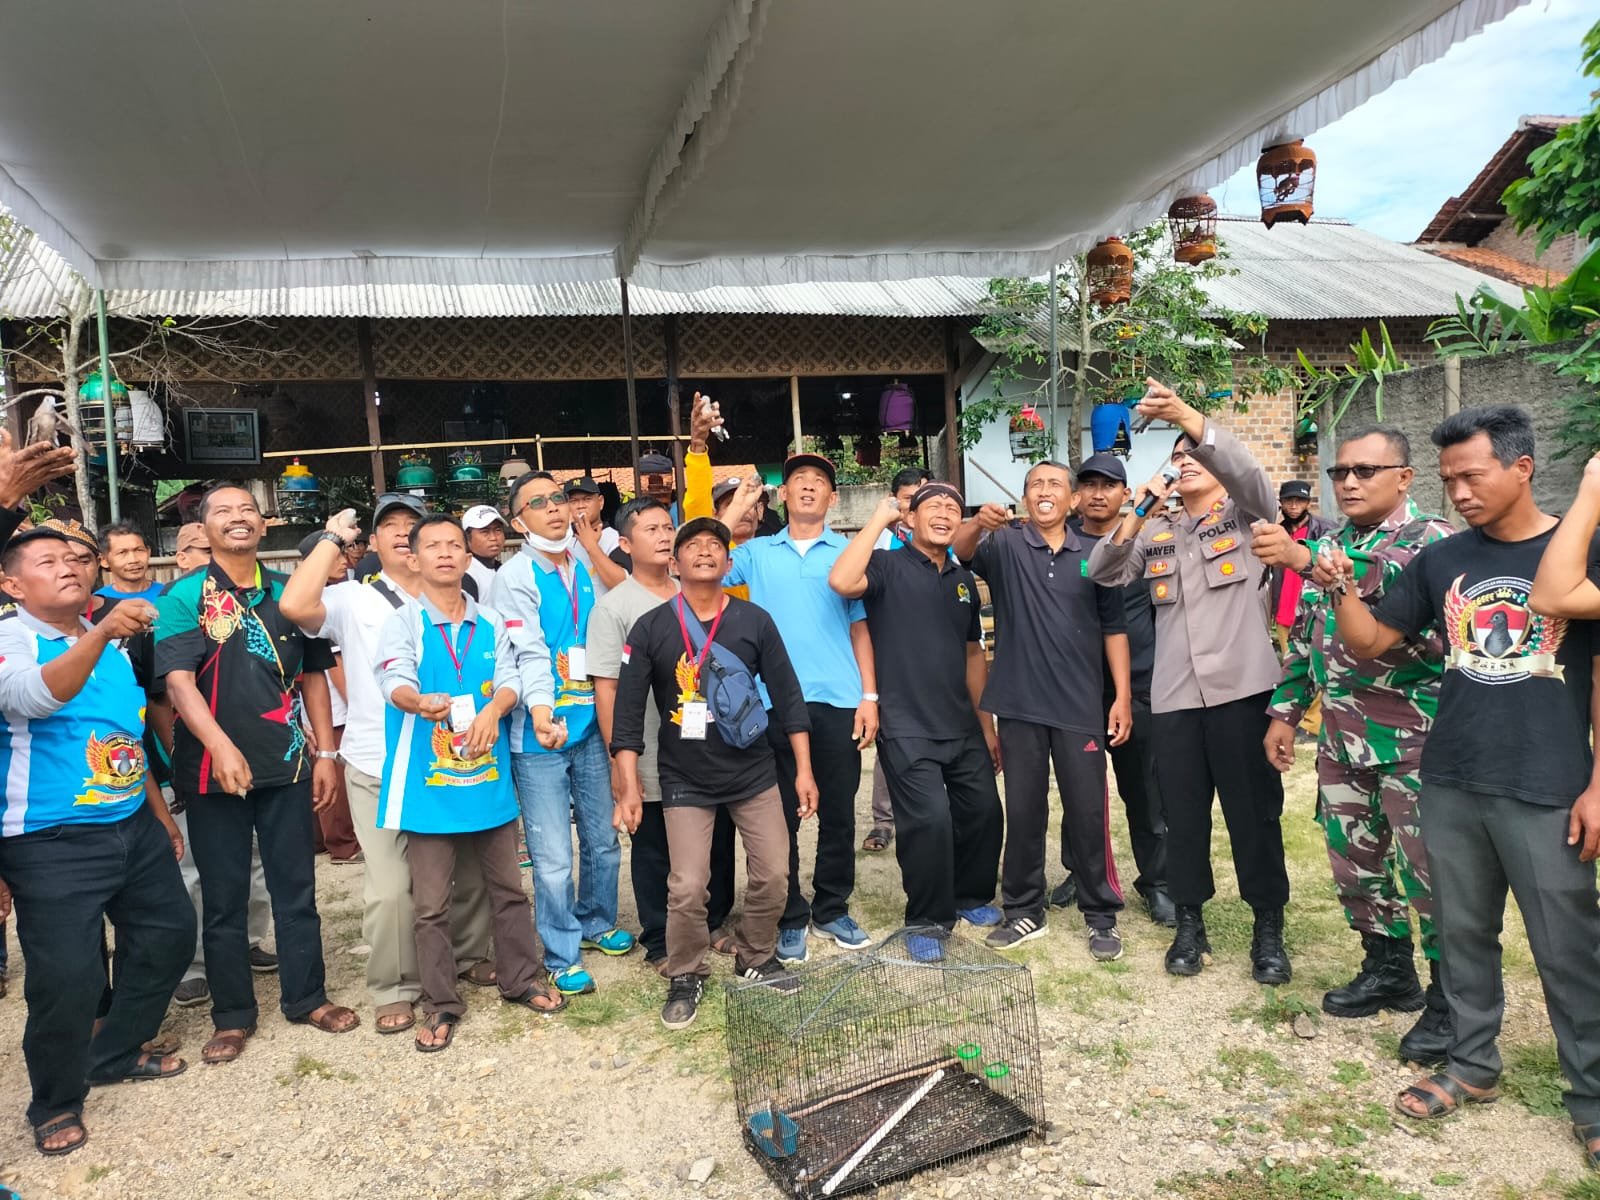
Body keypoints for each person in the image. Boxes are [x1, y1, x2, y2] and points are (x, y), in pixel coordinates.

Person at [1328, 406, 1600, 1165]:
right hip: (1447, 776)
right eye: (1448, 480)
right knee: (1464, 935)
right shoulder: (1444, 560)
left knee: (1568, 946)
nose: (1459, 493)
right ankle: (1474, 1064)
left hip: (1546, 783)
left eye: (1471, 476)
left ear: (1521, 466)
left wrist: (1599, 783)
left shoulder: (1580, 551)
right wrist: (1342, 588)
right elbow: (1377, 640)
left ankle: (1593, 1095)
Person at [1255, 425, 1454, 1064]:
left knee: (1434, 873)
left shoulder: (1435, 543)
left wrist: (1303, 561)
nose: (1349, 482)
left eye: (1366, 471)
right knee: (1355, 861)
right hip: (1342, 736)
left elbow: (1380, 580)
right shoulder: (1334, 542)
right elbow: (1311, 637)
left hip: (1416, 739)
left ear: (1405, 476)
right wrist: (1285, 713)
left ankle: (1453, 997)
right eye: (1341, 472)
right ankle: (1388, 967)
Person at [1087, 380, 1291, 985]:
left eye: (1195, 455)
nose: (1185, 463)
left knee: (1253, 815)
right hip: (1175, 697)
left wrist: (1188, 420)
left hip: (1242, 692)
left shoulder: (1250, 516)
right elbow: (1099, 570)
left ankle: (1267, 928)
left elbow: (1251, 471)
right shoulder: (1157, 529)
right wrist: (1141, 507)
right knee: (1182, 816)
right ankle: (1190, 925)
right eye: (1176, 456)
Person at [0, 525, 194, 1156]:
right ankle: (54, 1101)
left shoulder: (104, 643)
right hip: (49, 838)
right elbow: (33, 698)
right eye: (47, 561)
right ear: (11, 584)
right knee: (67, 978)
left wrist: (158, 815)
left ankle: (110, 1054)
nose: (68, 568)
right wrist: (105, 632)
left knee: (168, 936)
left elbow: (127, 740)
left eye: (75, 560)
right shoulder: (12, 638)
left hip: (130, 824)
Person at [154, 484, 359, 1063]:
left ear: (264, 525)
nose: (237, 518)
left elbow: (315, 675)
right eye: (224, 511)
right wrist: (218, 746)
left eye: (247, 509)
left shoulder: (291, 594)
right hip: (209, 772)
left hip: (288, 763)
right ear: (202, 528)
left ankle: (307, 997)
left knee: (297, 889)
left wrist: (324, 755)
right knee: (223, 897)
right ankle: (233, 1015)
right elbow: (177, 682)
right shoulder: (184, 595)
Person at [280, 494, 494, 1036]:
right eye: (389, 528)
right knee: (390, 884)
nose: (402, 534)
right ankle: (396, 984)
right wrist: (331, 539)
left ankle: (467, 957)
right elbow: (294, 606)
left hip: (453, 754)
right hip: (380, 761)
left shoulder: (460, 594)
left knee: (467, 869)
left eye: (412, 526)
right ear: (372, 543)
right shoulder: (354, 597)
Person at [612, 517, 817, 1028]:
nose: (705, 551)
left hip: (754, 771)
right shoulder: (652, 627)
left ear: (729, 562)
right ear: (674, 563)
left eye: (715, 546)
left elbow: (789, 698)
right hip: (686, 778)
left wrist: (804, 771)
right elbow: (629, 712)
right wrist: (629, 784)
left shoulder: (755, 621)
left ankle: (757, 954)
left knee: (773, 872)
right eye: (692, 545)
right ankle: (686, 971)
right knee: (686, 884)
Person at [374, 515, 567, 1049]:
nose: (444, 554)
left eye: (454, 546)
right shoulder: (405, 622)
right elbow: (394, 679)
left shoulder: (491, 622)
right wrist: (420, 701)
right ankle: (441, 1003)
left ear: (468, 557)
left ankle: (520, 978)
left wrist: (494, 710)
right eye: (431, 546)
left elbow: (512, 678)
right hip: (428, 788)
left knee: (508, 890)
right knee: (431, 904)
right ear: (413, 559)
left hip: (487, 783)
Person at [955, 461, 1132, 959]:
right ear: (1026, 498)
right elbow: (962, 552)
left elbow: (1114, 629)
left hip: (1079, 706)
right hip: (1019, 703)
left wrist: (1120, 697)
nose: (1045, 492)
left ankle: (1101, 915)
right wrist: (977, 523)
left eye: (1055, 484)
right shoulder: (1005, 545)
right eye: (1036, 485)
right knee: (1025, 811)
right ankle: (1024, 909)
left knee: (1087, 813)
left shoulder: (1097, 553)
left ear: (1073, 500)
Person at [830, 483, 1004, 952]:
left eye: (953, 507)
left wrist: (985, 725)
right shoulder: (885, 566)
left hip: (960, 721)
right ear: (910, 519)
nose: (945, 513)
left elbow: (973, 654)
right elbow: (842, 582)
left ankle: (969, 894)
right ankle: (926, 921)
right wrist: (878, 520)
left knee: (984, 811)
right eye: (934, 506)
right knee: (928, 822)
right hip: (906, 723)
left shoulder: (964, 580)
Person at [726, 453, 878, 962]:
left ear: (833, 498)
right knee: (780, 818)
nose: (808, 487)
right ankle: (790, 914)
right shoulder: (756, 553)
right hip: (769, 701)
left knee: (838, 812)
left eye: (818, 482)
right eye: (797, 482)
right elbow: (705, 554)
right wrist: (742, 505)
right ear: (783, 496)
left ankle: (832, 906)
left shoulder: (850, 552)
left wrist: (869, 696)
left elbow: (861, 628)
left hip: (837, 699)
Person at [496, 471, 634, 997]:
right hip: (540, 735)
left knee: (602, 838)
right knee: (552, 855)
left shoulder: (585, 565)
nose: (555, 508)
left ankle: (597, 921)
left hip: (590, 726)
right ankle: (560, 952)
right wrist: (539, 711)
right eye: (538, 503)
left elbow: (621, 603)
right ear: (518, 521)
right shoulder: (514, 577)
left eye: (558, 498)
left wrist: (591, 545)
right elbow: (527, 651)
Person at [588, 499, 738, 974]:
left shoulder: (698, 593)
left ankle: (712, 923)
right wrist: (620, 762)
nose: (661, 535)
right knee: (653, 843)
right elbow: (607, 690)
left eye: (667, 527)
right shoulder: (614, 608)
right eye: (649, 529)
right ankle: (659, 939)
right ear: (626, 545)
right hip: (650, 746)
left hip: (710, 746)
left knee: (715, 837)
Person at [1068, 453, 1174, 927]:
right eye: (1089, 484)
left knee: (1146, 791)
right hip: (1076, 687)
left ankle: (1159, 883)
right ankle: (1083, 873)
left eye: (1108, 485)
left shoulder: (1150, 540)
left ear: (1126, 494)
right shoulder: (1062, 543)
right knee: (1080, 791)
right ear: (1077, 494)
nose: (1098, 493)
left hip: (1140, 682)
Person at [861, 466, 935, 853]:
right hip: (893, 657)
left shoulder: (947, 540)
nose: (917, 504)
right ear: (895, 502)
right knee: (893, 740)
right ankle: (884, 821)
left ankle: (934, 815)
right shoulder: (878, 547)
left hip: (939, 659)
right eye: (909, 498)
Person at [295, 531, 361, 865]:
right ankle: (343, 846)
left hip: (325, 708)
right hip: (334, 708)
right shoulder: (322, 598)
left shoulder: (336, 592)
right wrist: (356, 703)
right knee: (333, 777)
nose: (343, 557)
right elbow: (335, 662)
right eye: (334, 554)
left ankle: (319, 841)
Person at [95, 519, 163, 602]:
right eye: (122, 552)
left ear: (148, 552)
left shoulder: (168, 595)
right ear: (104, 560)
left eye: (139, 550)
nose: (133, 560)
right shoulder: (98, 603)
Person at [565, 476, 623, 562]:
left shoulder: (615, 539)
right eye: (574, 501)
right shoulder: (563, 539)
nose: (581, 506)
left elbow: (621, 575)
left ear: (600, 502)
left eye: (587, 499)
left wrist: (592, 547)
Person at [461, 504, 510, 601]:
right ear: (467, 538)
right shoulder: (466, 574)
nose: (493, 537)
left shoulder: (500, 568)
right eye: (485, 532)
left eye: (498, 530)